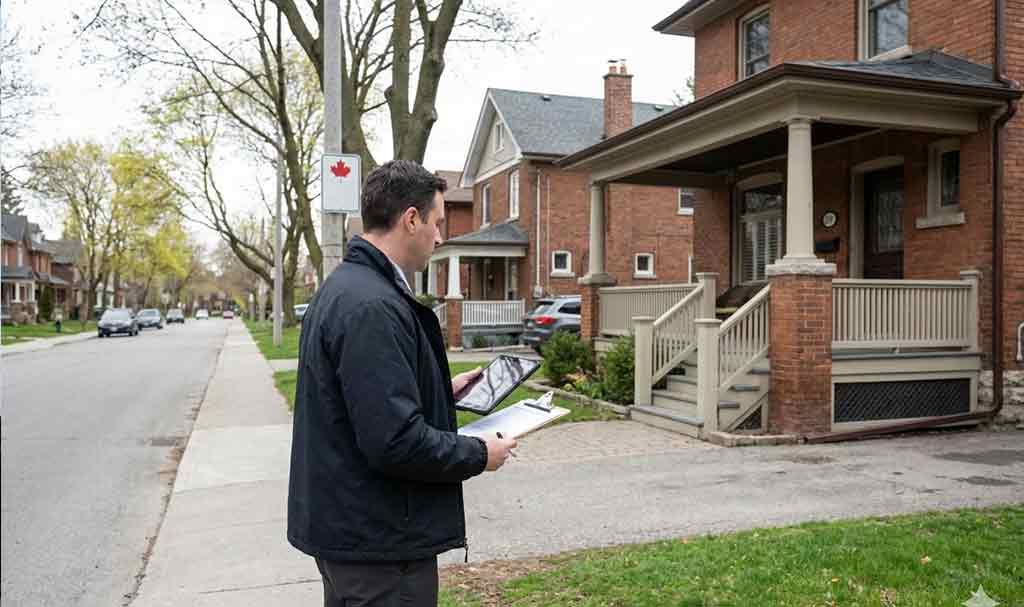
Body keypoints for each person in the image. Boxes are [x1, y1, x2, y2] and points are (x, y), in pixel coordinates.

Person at [288, 160, 518, 606]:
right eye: (436, 223)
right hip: (379, 544)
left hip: (355, 533)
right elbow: (394, 442)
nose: (439, 237)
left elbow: (357, 398)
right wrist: (479, 453)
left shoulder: (348, 287)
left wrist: (436, 390)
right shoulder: (372, 305)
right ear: (410, 219)